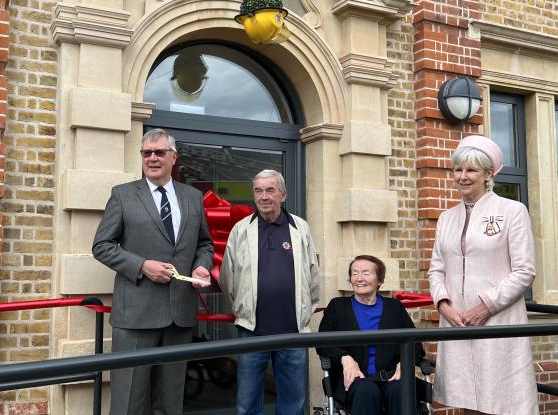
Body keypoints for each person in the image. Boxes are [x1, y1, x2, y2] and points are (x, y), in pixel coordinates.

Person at [92, 128, 213, 415]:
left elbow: (204, 243)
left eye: (159, 152)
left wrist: (201, 266)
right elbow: (101, 246)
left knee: (170, 402)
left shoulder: (192, 198)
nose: (153, 158)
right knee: (129, 401)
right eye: (147, 153)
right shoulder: (123, 195)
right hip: (135, 315)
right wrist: (142, 266)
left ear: (174, 157)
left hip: (179, 313)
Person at [428, 135, 538, 414]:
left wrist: (485, 306)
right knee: (464, 400)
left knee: (500, 401)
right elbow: (436, 269)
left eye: (471, 170)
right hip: (456, 322)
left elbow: (525, 271)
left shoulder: (512, 211)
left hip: (497, 320)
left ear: (489, 174)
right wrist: (443, 305)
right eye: (458, 170)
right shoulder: (446, 218)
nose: (462, 177)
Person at [218, 169, 320, 415]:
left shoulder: (300, 228)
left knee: (293, 405)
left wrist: (306, 310)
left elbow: (313, 276)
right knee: (248, 404)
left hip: (294, 331)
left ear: (283, 194)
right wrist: (242, 308)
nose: (264, 196)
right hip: (252, 330)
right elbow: (227, 278)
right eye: (258, 190)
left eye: (270, 190)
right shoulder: (241, 230)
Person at [317, 255, 425, 415]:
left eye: (366, 273)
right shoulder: (337, 306)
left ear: (379, 280)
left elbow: (415, 344)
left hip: (391, 377)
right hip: (355, 380)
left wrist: (405, 362)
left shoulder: (395, 308)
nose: (359, 278)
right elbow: (322, 343)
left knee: (401, 390)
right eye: (354, 273)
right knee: (367, 391)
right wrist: (345, 358)